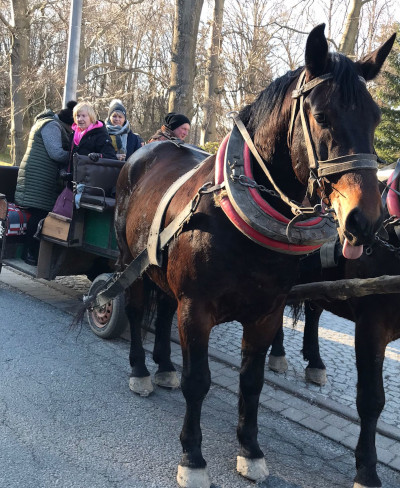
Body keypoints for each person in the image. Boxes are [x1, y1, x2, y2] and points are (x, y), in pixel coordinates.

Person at [14, 100, 77, 265]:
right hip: (37, 178)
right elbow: (56, 153)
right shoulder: (52, 126)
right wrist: (75, 155)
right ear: (68, 124)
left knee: (40, 213)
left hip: (38, 176)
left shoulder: (48, 122)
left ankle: (32, 252)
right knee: (40, 213)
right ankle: (29, 252)